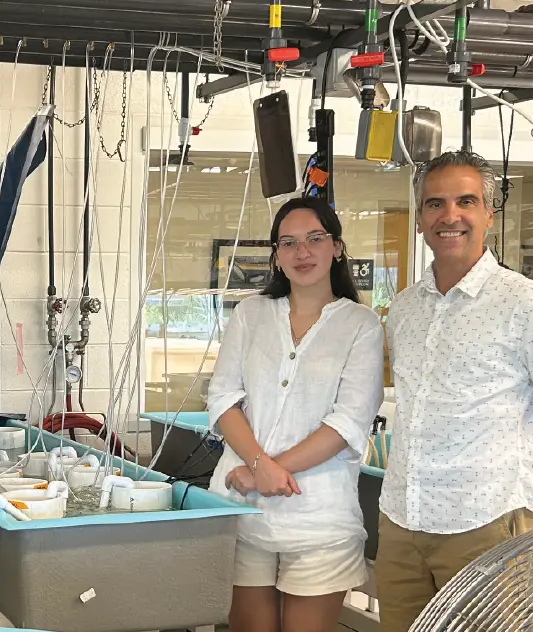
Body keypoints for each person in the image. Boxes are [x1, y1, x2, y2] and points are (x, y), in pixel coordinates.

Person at [376, 150, 533, 632]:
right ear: (420, 219)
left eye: (466, 201)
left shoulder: (525, 304)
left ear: (488, 215)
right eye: (435, 204)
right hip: (402, 521)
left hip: (487, 522)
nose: (449, 215)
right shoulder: (404, 309)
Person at [206, 196, 385, 632]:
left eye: (314, 239)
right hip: (239, 507)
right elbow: (223, 397)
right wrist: (258, 466)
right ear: (276, 256)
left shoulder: (361, 324)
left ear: (337, 247)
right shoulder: (251, 314)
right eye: (288, 243)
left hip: (319, 518)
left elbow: (348, 421)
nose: (302, 252)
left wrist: (267, 471)